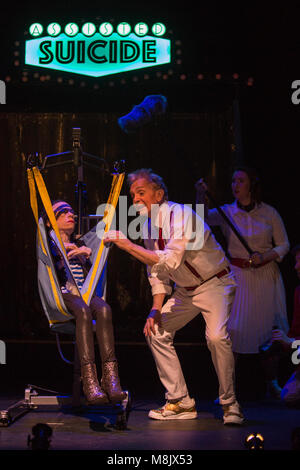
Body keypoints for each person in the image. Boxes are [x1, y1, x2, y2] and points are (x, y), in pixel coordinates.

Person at [104, 168, 244, 425]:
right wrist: (156, 309)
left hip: (215, 284)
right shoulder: (147, 227)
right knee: (156, 331)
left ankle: (230, 403)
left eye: (141, 193)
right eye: (133, 195)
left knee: (215, 337)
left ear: (158, 195)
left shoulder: (182, 215)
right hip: (186, 292)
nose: (135, 200)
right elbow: (157, 273)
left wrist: (126, 245)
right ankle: (180, 401)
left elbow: (170, 259)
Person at [196, 166, 290, 398]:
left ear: (251, 185)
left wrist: (264, 256)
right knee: (232, 332)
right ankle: (227, 389)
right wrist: (200, 195)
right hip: (238, 277)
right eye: (233, 181)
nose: (235, 185)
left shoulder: (269, 213)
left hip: (265, 277)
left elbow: (284, 245)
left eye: (240, 181)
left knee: (269, 332)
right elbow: (201, 220)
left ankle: (272, 383)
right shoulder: (227, 212)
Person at [44, 200, 125, 405]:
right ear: (49, 222)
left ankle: (110, 378)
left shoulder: (81, 244)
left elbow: (93, 275)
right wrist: (63, 252)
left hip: (84, 293)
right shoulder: (48, 245)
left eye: (72, 210)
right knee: (82, 310)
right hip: (62, 295)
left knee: (104, 309)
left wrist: (86, 255)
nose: (70, 214)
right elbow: (50, 272)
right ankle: (89, 381)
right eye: (63, 211)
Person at [271, 244, 300, 407]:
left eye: (299, 261)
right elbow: (297, 333)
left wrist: (291, 343)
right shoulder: (298, 292)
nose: (296, 267)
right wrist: (285, 343)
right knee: (289, 395)